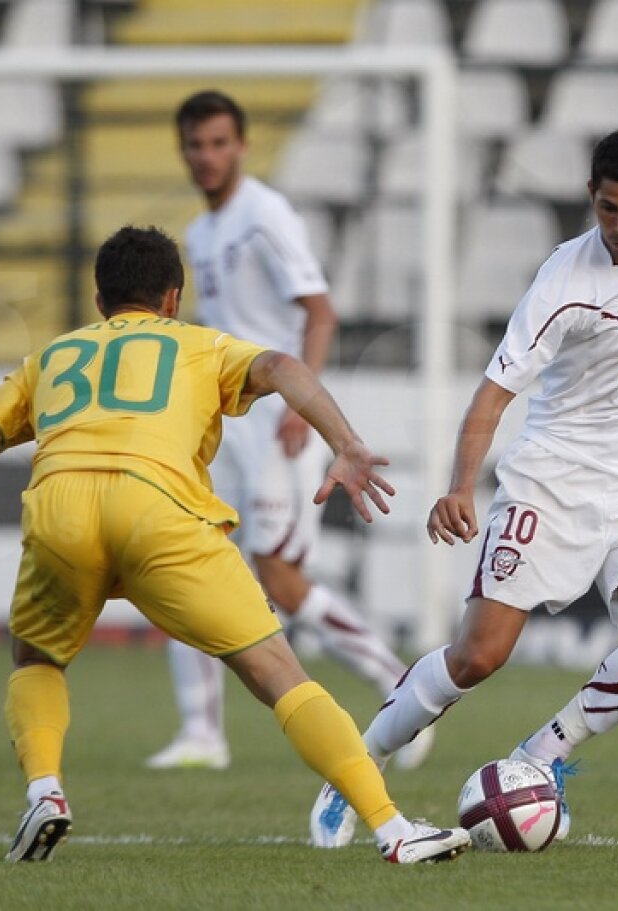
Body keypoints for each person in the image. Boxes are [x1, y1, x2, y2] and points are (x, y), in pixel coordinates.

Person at [0, 226, 470, 866]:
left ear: (99, 302)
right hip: (158, 508)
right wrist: (346, 443)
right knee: (276, 671)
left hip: (60, 509)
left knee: (36, 656)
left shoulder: (51, 358)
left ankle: (45, 789)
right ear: (173, 298)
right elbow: (282, 364)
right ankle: (392, 828)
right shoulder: (199, 344)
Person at [309, 126, 618, 848]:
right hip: (553, 481)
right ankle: (356, 767)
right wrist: (460, 486)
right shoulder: (564, 283)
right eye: (607, 209)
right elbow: (493, 393)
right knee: (478, 655)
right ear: (590, 197)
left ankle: (542, 755)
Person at [143, 89, 433, 772]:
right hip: (235, 426)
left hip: (280, 422)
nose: (207, 156)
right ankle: (202, 734)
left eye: (219, 143)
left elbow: (320, 309)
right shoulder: (205, 230)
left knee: (280, 575)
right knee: (187, 558)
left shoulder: (265, 214)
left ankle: (404, 690)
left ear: (241, 146)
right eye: (195, 144)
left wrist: (308, 411)